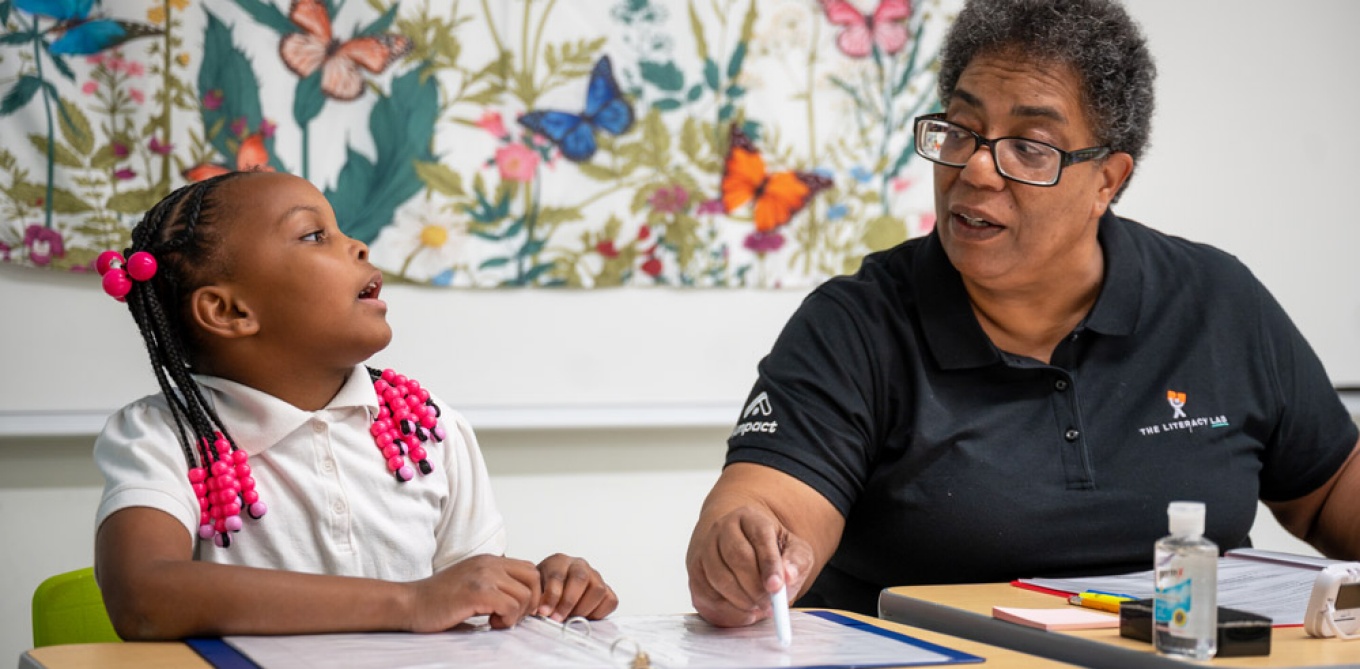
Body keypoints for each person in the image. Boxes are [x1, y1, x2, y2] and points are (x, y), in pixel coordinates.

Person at [687, 0, 1360, 625]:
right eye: (961, 131)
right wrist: (745, 550)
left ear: (1108, 180)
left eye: (1030, 147)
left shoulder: (1216, 300)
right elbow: (770, 502)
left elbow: (1332, 491)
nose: (976, 170)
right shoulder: (857, 323)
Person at [93, 170, 617, 639]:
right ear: (229, 311)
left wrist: (541, 589)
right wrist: (411, 602)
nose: (359, 246)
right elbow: (142, 597)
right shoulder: (163, 435)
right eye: (314, 234)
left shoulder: (427, 427)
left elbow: (472, 602)